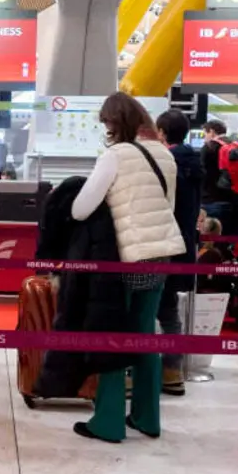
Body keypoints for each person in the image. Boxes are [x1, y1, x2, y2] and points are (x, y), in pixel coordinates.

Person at [69, 92, 186, 443]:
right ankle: (147, 418)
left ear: (115, 122)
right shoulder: (164, 154)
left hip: (125, 257)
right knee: (145, 334)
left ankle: (107, 422)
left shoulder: (116, 155)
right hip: (160, 254)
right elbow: (167, 205)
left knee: (113, 334)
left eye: (106, 122)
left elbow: (80, 209)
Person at [154, 109, 204, 397]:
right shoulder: (194, 163)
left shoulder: (165, 163)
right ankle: (172, 372)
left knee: (144, 310)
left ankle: (136, 374)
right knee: (170, 311)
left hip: (161, 245)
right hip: (184, 246)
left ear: (161, 133)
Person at [199, 120, 238, 235]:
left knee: (212, 241)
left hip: (213, 202)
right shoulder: (237, 147)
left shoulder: (209, 148)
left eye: (205, 134)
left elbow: (201, 174)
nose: (204, 138)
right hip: (237, 203)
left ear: (211, 132)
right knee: (232, 240)